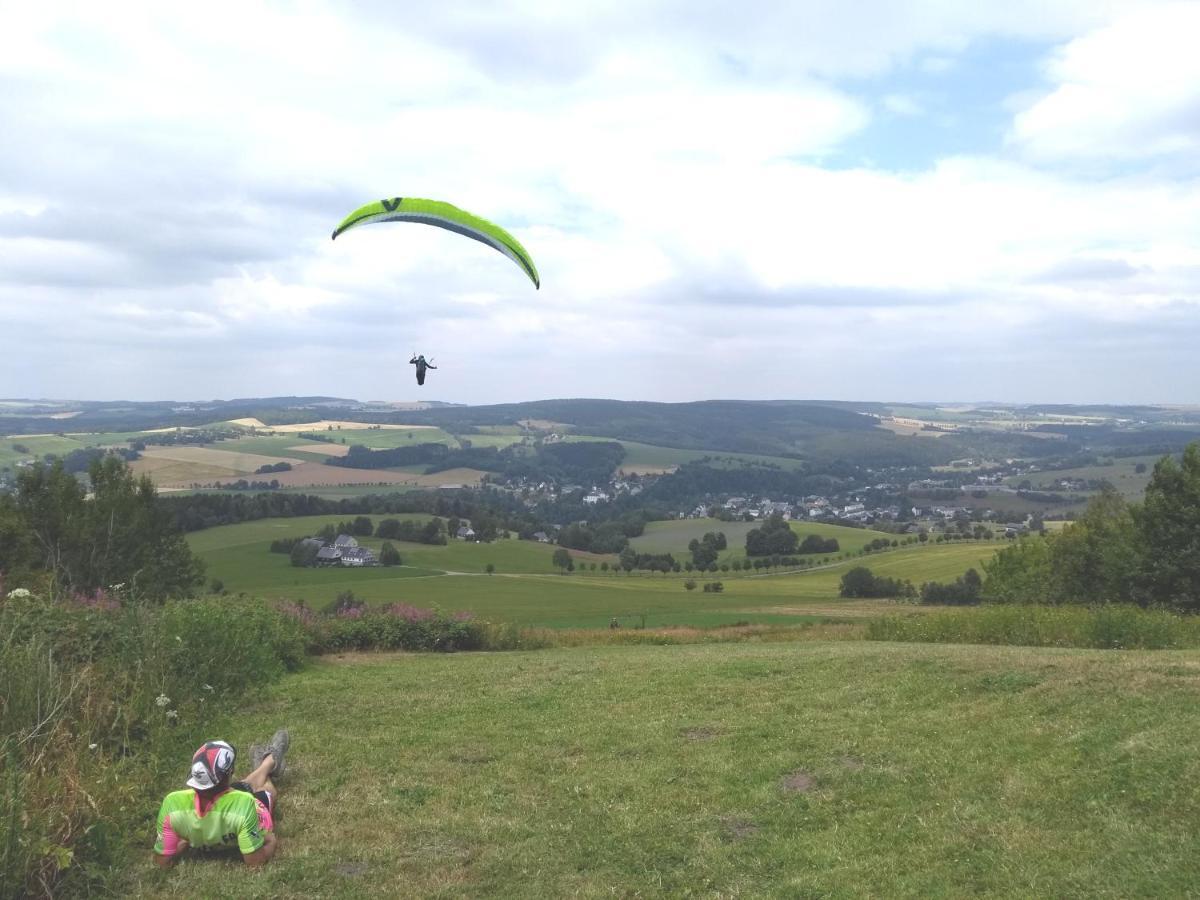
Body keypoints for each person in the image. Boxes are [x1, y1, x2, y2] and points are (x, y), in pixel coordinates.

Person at [152, 730, 289, 868]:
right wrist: (271, 842)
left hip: (224, 798)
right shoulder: (244, 803)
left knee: (245, 784)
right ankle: (270, 760)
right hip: (242, 810)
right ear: (229, 773)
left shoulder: (172, 803)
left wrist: (186, 840)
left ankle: (264, 764)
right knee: (267, 790)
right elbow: (255, 862)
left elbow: (162, 862)